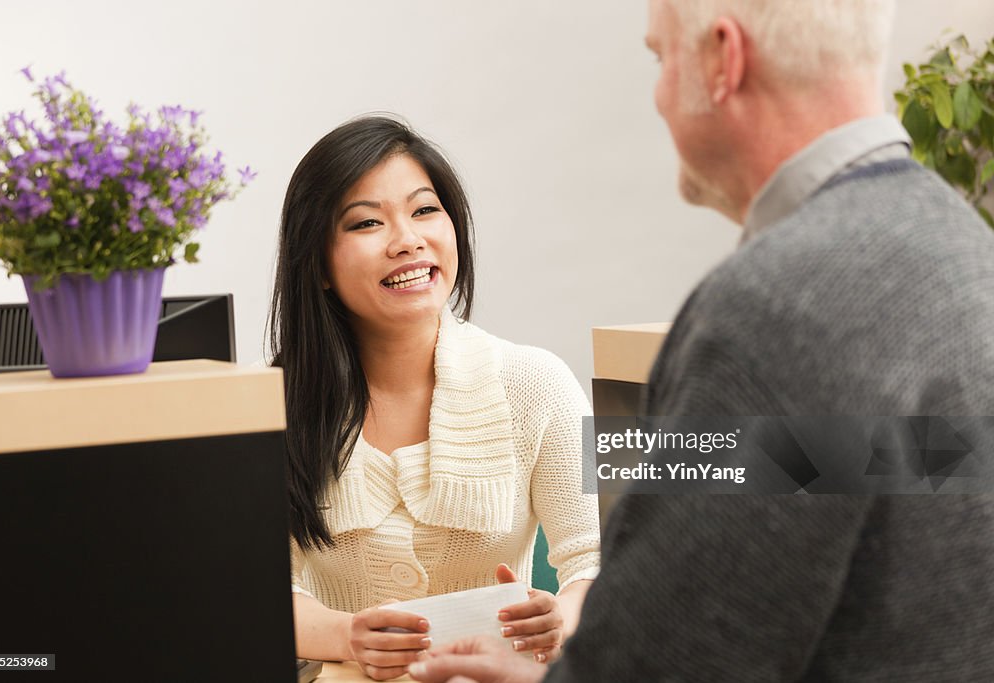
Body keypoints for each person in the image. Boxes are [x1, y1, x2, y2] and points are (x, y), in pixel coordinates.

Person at [409, 0, 994, 681]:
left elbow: (661, 663)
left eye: (661, 59)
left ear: (722, 59)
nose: (657, 97)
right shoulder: (966, 251)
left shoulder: (773, 312)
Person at [268, 116, 601, 681]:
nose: (407, 240)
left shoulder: (535, 382)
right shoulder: (268, 401)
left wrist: (560, 617)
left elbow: (600, 560)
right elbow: (247, 590)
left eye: (425, 210)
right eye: (367, 222)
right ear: (318, 264)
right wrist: (345, 636)